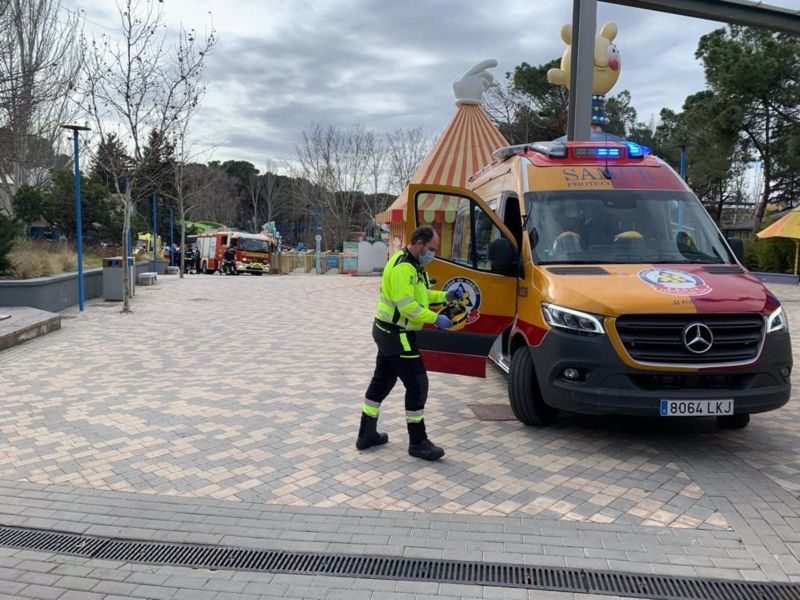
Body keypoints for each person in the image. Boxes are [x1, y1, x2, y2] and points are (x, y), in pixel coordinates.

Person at [356, 225, 463, 461]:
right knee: (417, 384)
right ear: (420, 243)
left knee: (382, 381)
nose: (433, 254)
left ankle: (366, 434)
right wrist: (437, 318)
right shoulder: (404, 268)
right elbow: (409, 308)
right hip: (397, 334)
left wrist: (446, 296)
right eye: (432, 249)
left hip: (388, 331)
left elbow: (422, 295)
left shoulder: (414, 265)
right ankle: (418, 442)